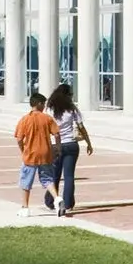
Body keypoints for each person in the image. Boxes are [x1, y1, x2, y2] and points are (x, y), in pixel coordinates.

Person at [13, 89, 60, 219]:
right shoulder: (47, 119)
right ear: (39, 104)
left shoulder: (25, 119)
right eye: (43, 104)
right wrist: (58, 148)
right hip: (46, 152)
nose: (44, 106)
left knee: (26, 180)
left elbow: (19, 139)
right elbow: (56, 134)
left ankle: (25, 207)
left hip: (31, 153)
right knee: (47, 179)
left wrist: (23, 150)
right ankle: (57, 199)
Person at [50, 83, 84, 216]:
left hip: (56, 144)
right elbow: (81, 126)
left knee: (55, 175)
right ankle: (68, 203)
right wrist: (88, 142)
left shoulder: (51, 109)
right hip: (71, 144)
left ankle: (51, 200)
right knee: (69, 176)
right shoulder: (72, 109)